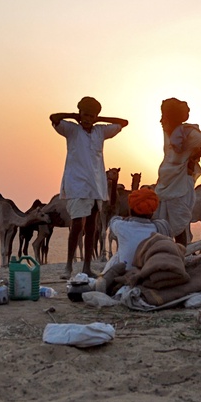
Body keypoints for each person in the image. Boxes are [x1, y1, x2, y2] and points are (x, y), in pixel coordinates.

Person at [50, 96, 128, 279]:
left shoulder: (100, 131)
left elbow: (124, 122)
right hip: (77, 185)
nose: (88, 119)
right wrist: (74, 116)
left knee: (92, 225)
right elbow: (53, 117)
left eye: (92, 116)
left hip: (96, 186)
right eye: (85, 114)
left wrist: (98, 119)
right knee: (77, 225)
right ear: (79, 114)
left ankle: (86, 267)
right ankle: (68, 267)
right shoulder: (72, 130)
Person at [154, 98, 201, 246]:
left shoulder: (189, 133)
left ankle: (181, 256)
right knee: (161, 220)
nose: (161, 121)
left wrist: (194, 157)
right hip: (165, 182)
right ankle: (166, 254)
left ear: (172, 118)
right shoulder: (168, 132)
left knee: (180, 222)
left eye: (164, 117)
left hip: (181, 182)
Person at [96, 187, 172, 296]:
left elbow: (113, 220)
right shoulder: (159, 228)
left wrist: (126, 219)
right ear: (152, 213)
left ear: (130, 210)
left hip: (126, 272)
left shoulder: (121, 226)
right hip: (151, 273)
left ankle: (103, 280)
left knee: (117, 256)